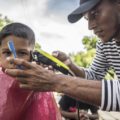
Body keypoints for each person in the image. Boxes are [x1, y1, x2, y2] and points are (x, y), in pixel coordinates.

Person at [5, 0, 120, 112]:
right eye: (86, 18)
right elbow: (94, 77)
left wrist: (55, 81)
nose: (90, 26)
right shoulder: (105, 44)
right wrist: (70, 65)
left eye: (95, 13)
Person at [0, 22, 61, 120]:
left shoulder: (38, 82)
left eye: (22, 53)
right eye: (7, 53)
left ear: (31, 57)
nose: (13, 59)